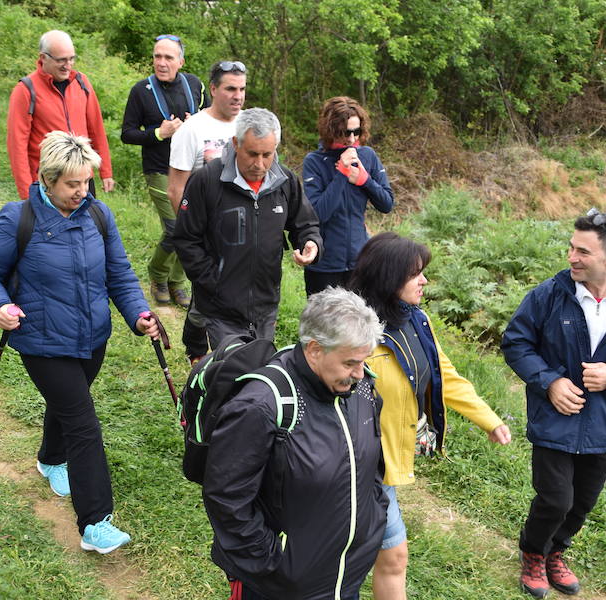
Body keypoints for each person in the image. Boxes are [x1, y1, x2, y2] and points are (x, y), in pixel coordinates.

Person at [0, 131, 159, 554]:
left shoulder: (99, 216)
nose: (82, 191)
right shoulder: (19, 218)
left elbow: (121, 275)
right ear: (48, 180)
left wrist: (138, 314)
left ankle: (50, 459)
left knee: (69, 404)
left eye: (86, 182)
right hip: (41, 341)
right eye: (73, 184)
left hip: (92, 338)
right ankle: (95, 523)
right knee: (83, 423)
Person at [501, 209, 606, 598]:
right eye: (571, 248)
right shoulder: (549, 295)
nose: (572, 258)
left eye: (583, 251)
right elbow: (516, 343)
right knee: (555, 499)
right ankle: (532, 552)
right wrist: (550, 382)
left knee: (581, 504)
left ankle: (555, 552)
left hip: (604, 426)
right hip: (554, 419)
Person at [347, 232, 512, 600]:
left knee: (393, 557)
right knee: (343, 564)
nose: (424, 281)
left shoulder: (415, 321)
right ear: (389, 278)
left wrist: (489, 419)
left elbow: (444, 375)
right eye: (415, 274)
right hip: (348, 470)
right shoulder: (351, 331)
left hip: (380, 470)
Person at [203, 286, 388, 600]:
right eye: (350, 363)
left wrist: (374, 518)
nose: (360, 373)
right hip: (281, 586)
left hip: (345, 579)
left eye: (363, 361)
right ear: (315, 350)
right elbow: (226, 498)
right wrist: (275, 564)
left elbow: (370, 465)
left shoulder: (361, 390)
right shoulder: (261, 406)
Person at [173, 107, 322, 351]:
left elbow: (305, 223)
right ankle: (197, 332)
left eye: (268, 154)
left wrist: (310, 242)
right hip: (219, 305)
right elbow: (185, 239)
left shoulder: (285, 181)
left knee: (256, 370)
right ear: (236, 143)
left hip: (265, 303)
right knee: (234, 374)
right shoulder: (207, 180)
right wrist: (212, 281)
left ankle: (196, 329)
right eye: (252, 154)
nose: (259, 164)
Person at [121, 34, 209, 309]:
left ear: (180, 61)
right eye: (157, 56)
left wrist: (197, 122)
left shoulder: (194, 84)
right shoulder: (140, 91)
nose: (161, 62)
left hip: (193, 168)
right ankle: (158, 275)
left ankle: (177, 281)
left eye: (168, 57)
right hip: (159, 168)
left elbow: (209, 115)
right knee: (176, 227)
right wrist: (160, 133)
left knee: (196, 227)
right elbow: (127, 134)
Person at [167, 59, 246, 359]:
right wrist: (192, 234)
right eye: (230, 89)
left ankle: (210, 345)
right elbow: (176, 188)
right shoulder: (193, 129)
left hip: (243, 233)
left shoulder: (249, 124)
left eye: (241, 89)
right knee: (212, 294)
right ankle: (205, 353)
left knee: (228, 297)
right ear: (213, 89)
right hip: (207, 234)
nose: (237, 96)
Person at [302, 97, 394, 296]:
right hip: (324, 266)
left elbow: (387, 204)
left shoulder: (367, 156)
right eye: (345, 132)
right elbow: (317, 214)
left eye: (357, 131)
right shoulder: (314, 162)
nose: (352, 139)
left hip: (359, 263)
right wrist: (341, 174)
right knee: (323, 327)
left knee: (360, 325)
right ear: (331, 130)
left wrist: (365, 180)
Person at [7, 29, 113, 201]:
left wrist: (105, 170)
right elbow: (17, 146)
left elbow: (96, 128)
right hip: (50, 182)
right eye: (61, 60)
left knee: (85, 227)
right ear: (43, 58)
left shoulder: (81, 82)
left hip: (82, 178)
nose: (68, 65)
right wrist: (27, 193)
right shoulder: (25, 90)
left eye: (71, 58)